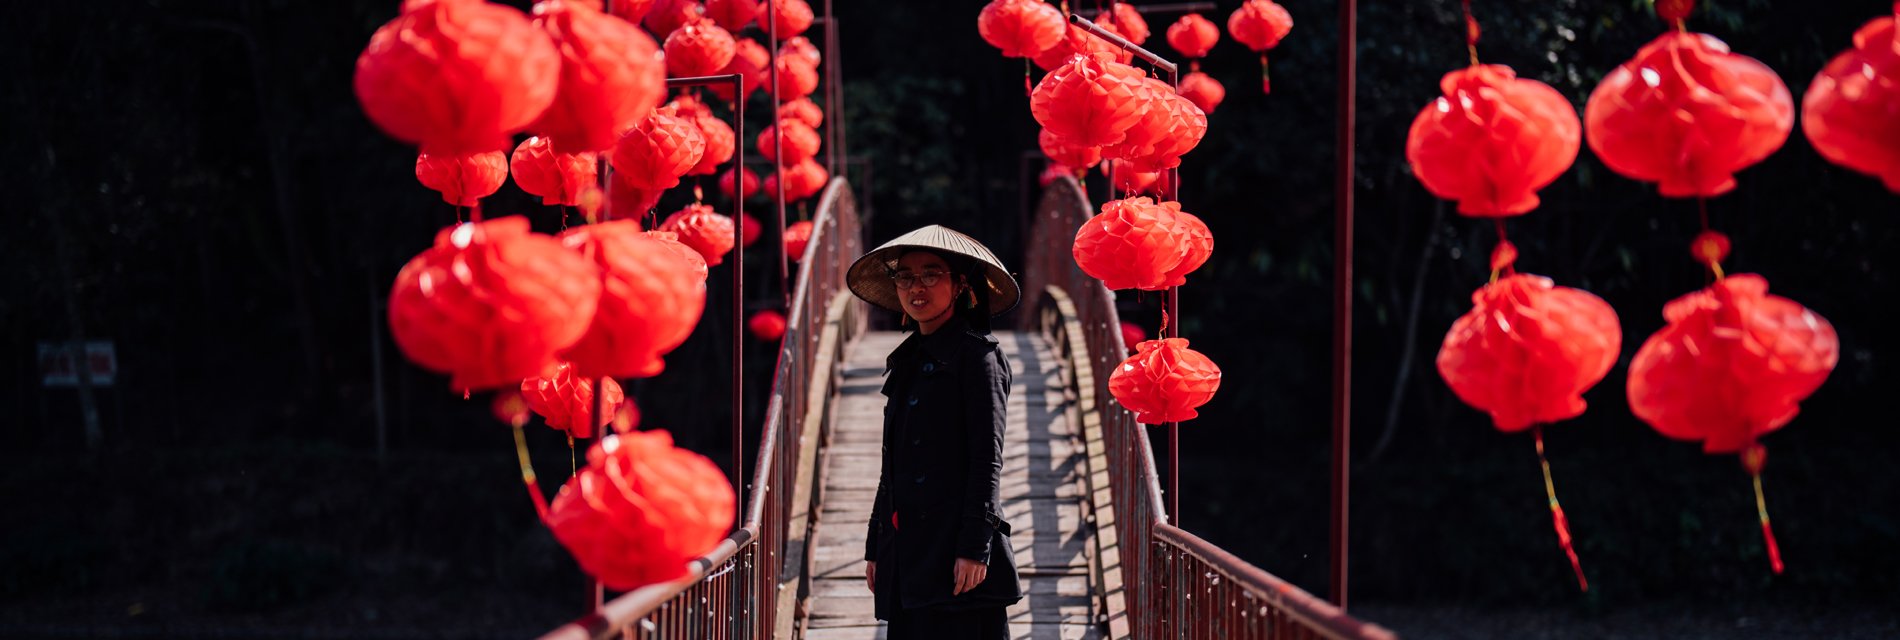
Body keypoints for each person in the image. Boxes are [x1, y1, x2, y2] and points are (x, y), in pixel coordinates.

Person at [845, 225, 1024, 639]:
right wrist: (876, 547)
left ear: (960, 284)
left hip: (955, 551)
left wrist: (975, 548)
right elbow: (892, 464)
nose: (915, 287)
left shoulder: (979, 358)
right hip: (907, 553)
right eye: (905, 276)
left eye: (931, 274)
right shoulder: (907, 358)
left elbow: (987, 459)